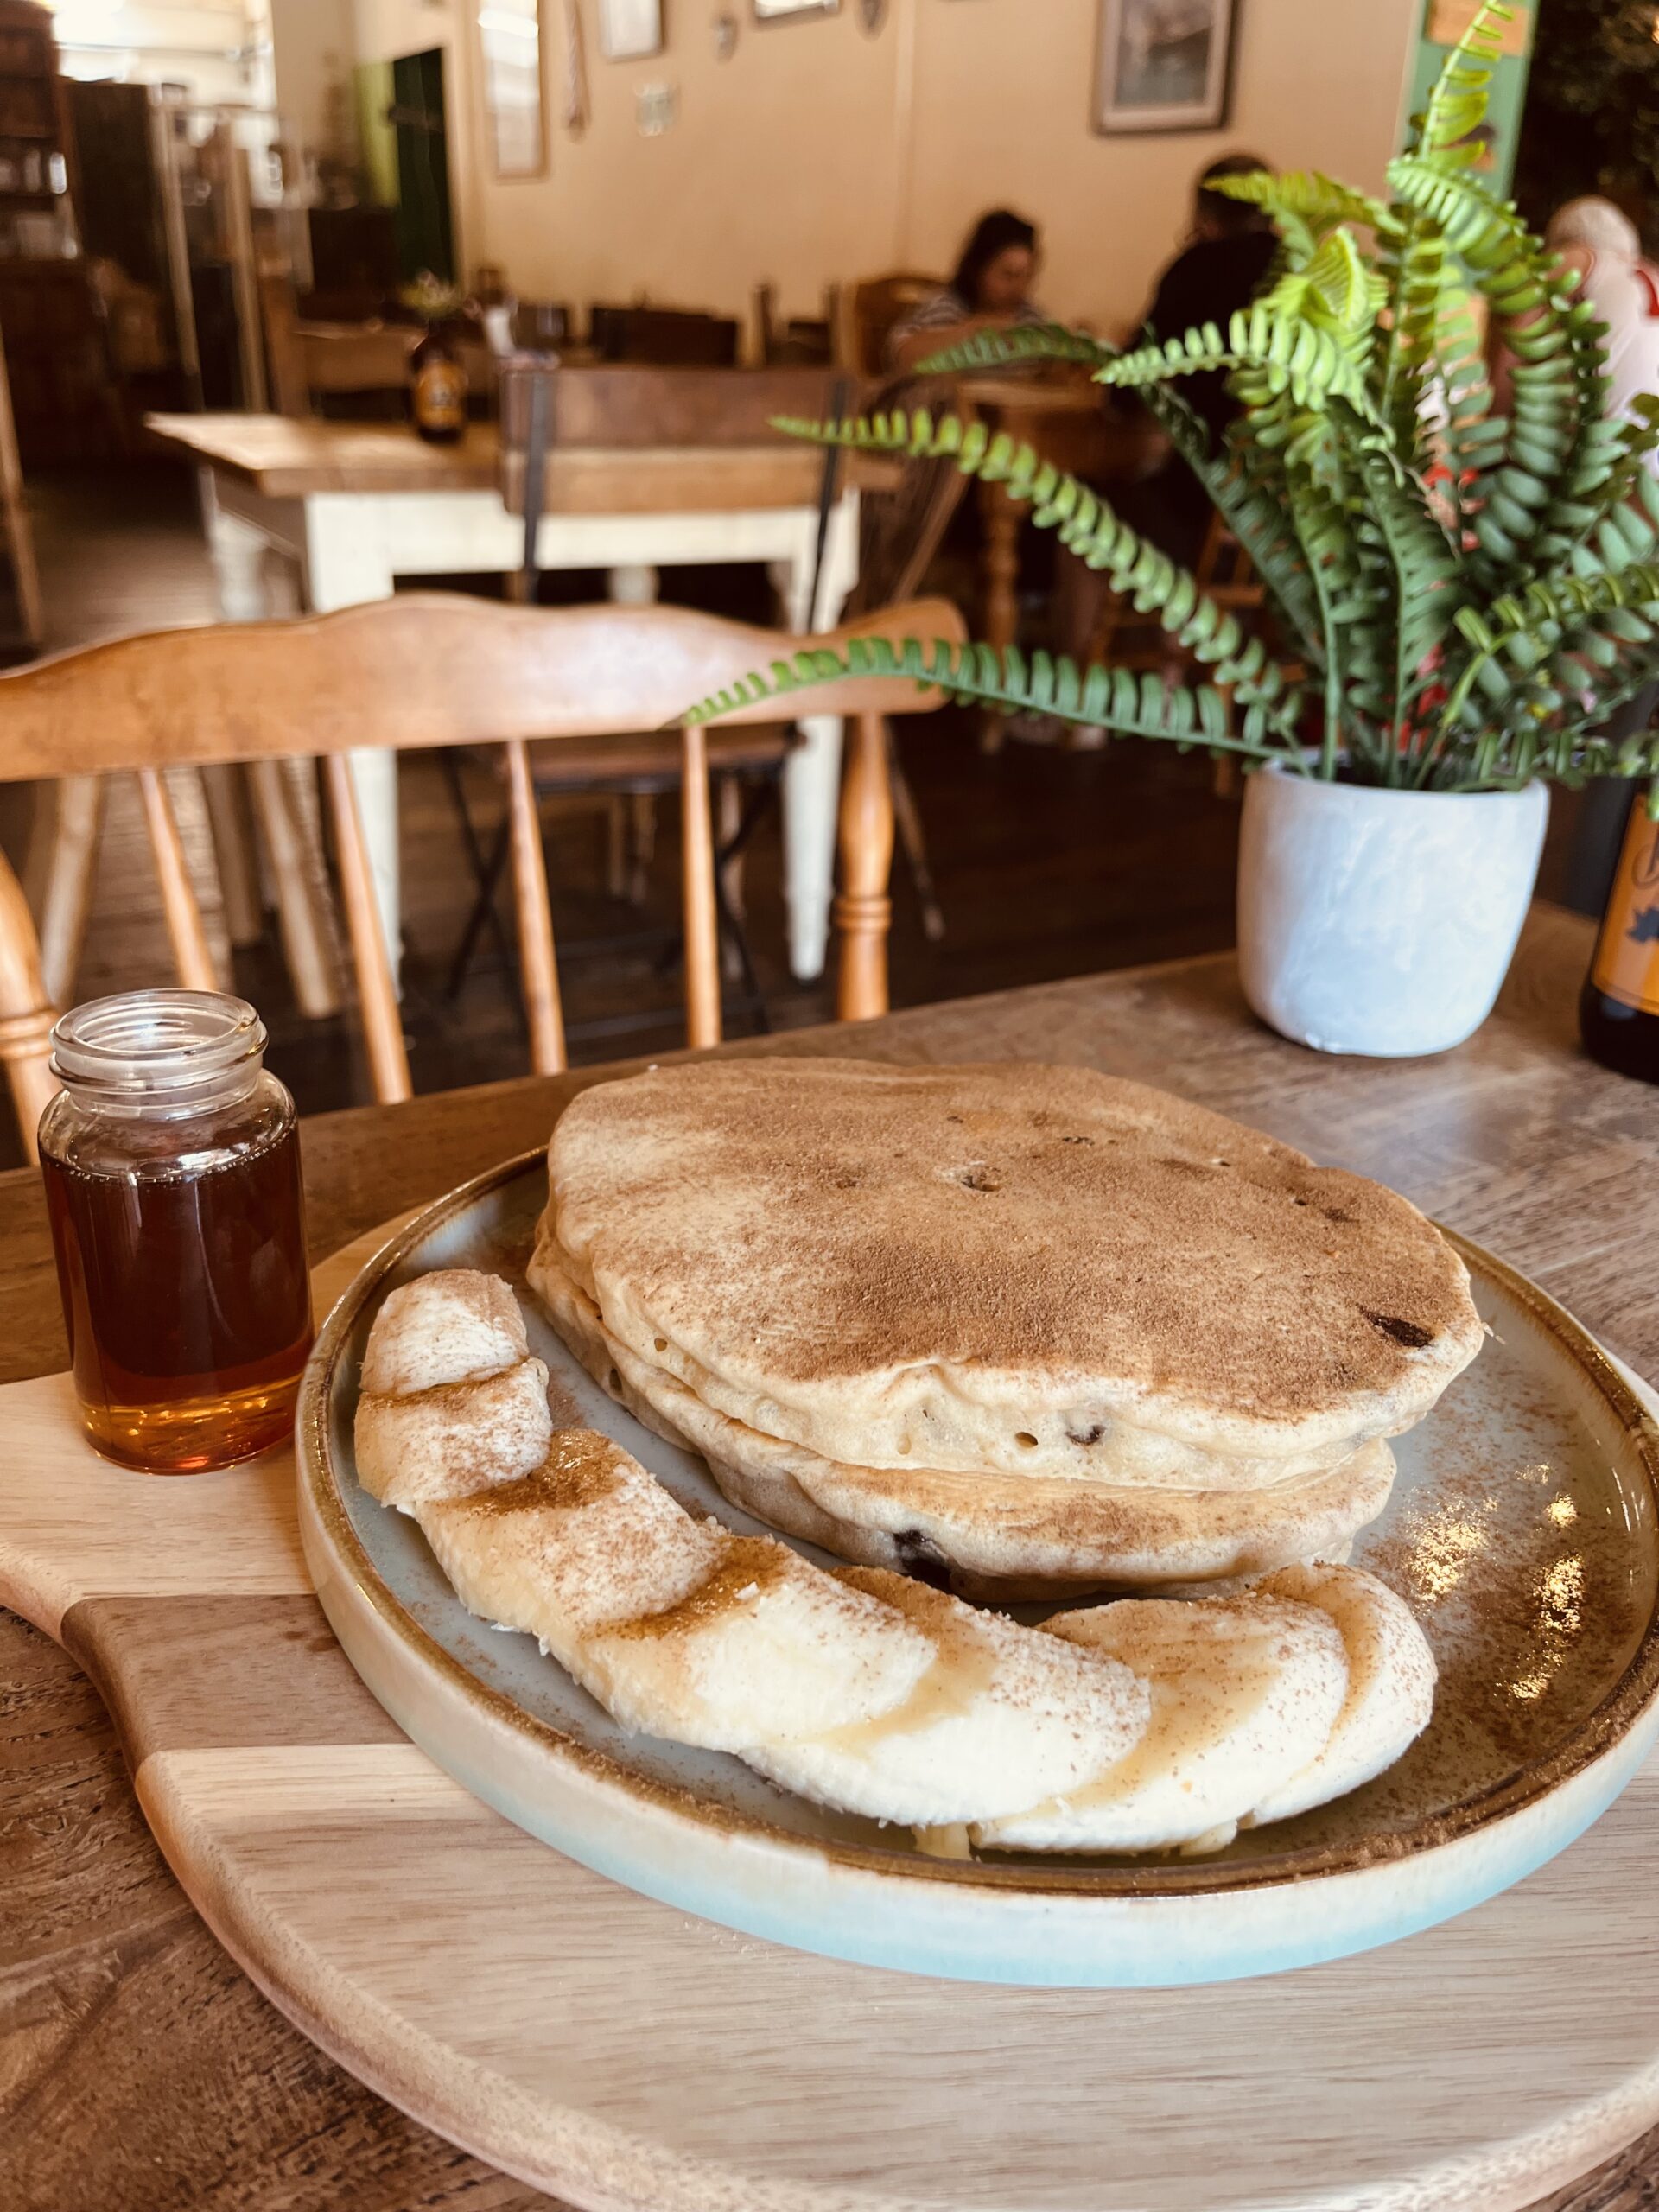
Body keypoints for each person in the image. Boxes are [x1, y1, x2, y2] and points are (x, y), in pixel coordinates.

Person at [887, 208, 1046, 374]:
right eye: (1008, 275)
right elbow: (904, 357)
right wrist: (972, 331)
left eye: (1027, 277)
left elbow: (1048, 372)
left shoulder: (1029, 316)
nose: (1018, 287)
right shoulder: (947, 306)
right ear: (978, 270)